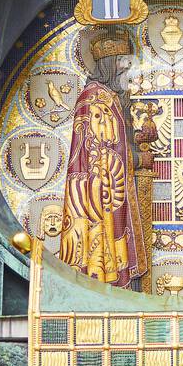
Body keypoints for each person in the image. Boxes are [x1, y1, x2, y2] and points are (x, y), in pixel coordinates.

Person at [59, 28, 147, 289]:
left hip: (108, 188)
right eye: (122, 66)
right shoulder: (94, 99)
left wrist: (138, 138)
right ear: (109, 65)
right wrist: (138, 158)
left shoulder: (111, 98)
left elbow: (114, 142)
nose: (127, 74)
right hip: (98, 193)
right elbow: (102, 153)